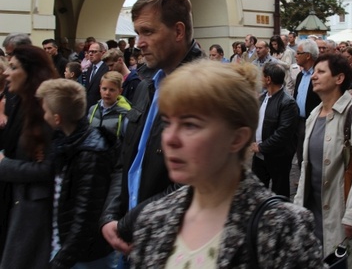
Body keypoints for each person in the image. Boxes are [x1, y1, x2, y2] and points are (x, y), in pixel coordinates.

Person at [130, 59, 323, 268]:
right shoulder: (153, 219)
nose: (169, 139)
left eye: (191, 125)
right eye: (168, 122)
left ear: (237, 138)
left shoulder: (283, 229)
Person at [100, 0, 203, 261]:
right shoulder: (147, 84)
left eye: (147, 32)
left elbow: (196, 182)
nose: (138, 43)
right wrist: (111, 215)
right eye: (137, 33)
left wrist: (127, 223)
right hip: (133, 238)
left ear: (178, 31)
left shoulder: (205, 89)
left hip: (174, 244)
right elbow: (127, 159)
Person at [294, 53, 352, 269]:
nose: (314, 76)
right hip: (314, 221)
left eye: (321, 72)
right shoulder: (314, 115)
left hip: (344, 217)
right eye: (314, 72)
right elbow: (305, 169)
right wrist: (297, 211)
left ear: (339, 78)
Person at [36, 79, 117, 268]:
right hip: (67, 248)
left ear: (57, 118)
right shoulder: (65, 142)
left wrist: (60, 262)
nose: (42, 115)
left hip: (86, 257)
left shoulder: (91, 153)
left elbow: (85, 218)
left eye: (45, 110)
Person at [0, 45, 57, 268]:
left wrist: (5, 165)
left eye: (13, 67)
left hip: (31, 213)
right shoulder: (19, 104)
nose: (6, 72)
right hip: (15, 203)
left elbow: (48, 169)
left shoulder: (46, 112)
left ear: (31, 72)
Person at [251, 63, 298, 197]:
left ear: (268, 79)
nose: (259, 78)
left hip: (278, 158)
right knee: (258, 194)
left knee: (280, 194)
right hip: (260, 157)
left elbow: (283, 134)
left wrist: (261, 147)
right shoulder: (263, 97)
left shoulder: (287, 103)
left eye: (262, 75)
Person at [293, 40, 321, 168]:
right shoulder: (300, 75)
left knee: (313, 157)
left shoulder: (319, 75)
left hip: (315, 122)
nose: (296, 55)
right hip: (299, 122)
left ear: (308, 55)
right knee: (301, 155)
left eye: (298, 53)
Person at [87, 71, 131, 139]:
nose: (107, 93)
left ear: (120, 91)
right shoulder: (92, 110)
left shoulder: (124, 114)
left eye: (112, 90)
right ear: (100, 88)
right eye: (104, 89)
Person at [85, 42, 109, 111]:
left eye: (94, 52)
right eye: (89, 51)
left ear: (103, 53)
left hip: (100, 108)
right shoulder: (90, 68)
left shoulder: (107, 68)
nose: (90, 54)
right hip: (89, 109)